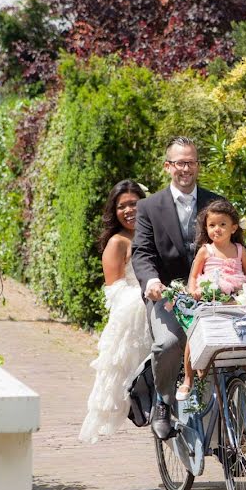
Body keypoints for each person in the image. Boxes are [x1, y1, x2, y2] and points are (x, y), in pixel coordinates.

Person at [131, 137, 223, 439]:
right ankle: (163, 401)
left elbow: (235, 245)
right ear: (168, 166)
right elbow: (142, 252)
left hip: (210, 293)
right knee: (169, 343)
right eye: (180, 163)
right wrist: (151, 281)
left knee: (235, 349)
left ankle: (240, 426)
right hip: (168, 294)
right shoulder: (149, 207)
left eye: (192, 162)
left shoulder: (215, 202)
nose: (187, 168)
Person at [78, 180, 151, 444]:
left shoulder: (151, 233)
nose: (129, 210)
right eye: (122, 206)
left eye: (134, 203)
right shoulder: (117, 243)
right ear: (115, 211)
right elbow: (115, 289)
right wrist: (144, 296)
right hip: (136, 307)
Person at [177, 200, 246, 399]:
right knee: (194, 332)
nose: (216, 229)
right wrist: (193, 290)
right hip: (209, 296)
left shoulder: (239, 250)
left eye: (222, 224)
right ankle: (188, 378)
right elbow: (194, 275)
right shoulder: (206, 250)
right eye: (212, 225)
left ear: (233, 227)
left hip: (234, 299)